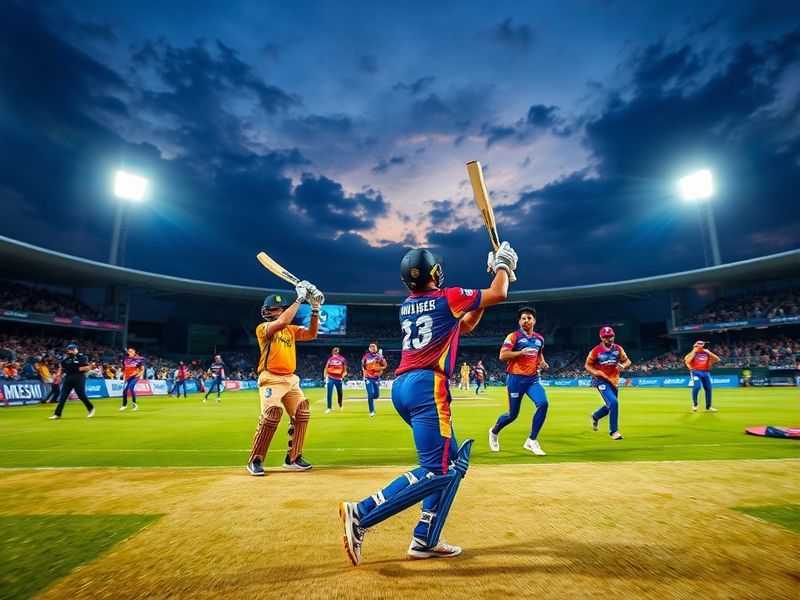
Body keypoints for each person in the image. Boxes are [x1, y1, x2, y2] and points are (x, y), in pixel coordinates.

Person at [339, 242, 517, 566]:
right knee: (437, 470)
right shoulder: (447, 297)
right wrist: (503, 265)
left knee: (452, 465)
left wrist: (489, 282)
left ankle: (425, 538)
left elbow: (466, 324)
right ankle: (362, 513)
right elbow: (500, 292)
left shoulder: (408, 304)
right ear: (435, 272)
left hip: (403, 386)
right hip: (427, 388)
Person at [246, 282, 323, 476]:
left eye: (280, 309)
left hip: (291, 379)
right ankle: (255, 460)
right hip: (270, 377)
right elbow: (280, 323)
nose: (278, 312)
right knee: (271, 415)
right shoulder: (263, 328)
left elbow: (312, 334)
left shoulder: (291, 330)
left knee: (302, 413)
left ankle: (293, 458)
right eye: (275, 309)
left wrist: (314, 310)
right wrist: (299, 299)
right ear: (267, 312)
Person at [489, 306, 550, 456]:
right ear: (519, 321)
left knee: (543, 403)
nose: (526, 321)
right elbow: (503, 356)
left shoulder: (539, 339)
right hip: (515, 379)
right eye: (523, 318)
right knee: (512, 415)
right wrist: (520, 353)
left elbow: (539, 354)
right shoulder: (513, 337)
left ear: (534, 321)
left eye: (529, 318)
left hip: (533, 379)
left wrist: (542, 362)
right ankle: (494, 431)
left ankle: (532, 440)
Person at [585, 326, 631, 440]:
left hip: (613, 381)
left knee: (610, 405)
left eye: (610, 336)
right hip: (601, 380)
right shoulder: (596, 351)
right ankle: (614, 432)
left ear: (613, 336)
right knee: (614, 403)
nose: (608, 339)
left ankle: (595, 416)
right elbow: (587, 365)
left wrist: (623, 366)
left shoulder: (618, 349)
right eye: (605, 337)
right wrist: (596, 372)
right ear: (601, 337)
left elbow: (628, 361)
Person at [49, 343, 95, 419]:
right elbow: (62, 370)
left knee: (81, 396)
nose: (69, 351)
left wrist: (76, 369)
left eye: (71, 349)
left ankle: (91, 409)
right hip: (68, 379)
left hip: (79, 378)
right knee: (63, 397)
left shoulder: (82, 357)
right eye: (68, 349)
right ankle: (57, 414)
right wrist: (58, 376)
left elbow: (87, 368)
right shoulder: (65, 361)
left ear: (75, 350)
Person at [684, 341, 721, 412]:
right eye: (699, 344)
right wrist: (694, 351)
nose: (700, 345)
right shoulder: (693, 353)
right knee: (697, 387)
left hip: (705, 373)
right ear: (695, 345)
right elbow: (687, 361)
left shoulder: (706, 352)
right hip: (696, 372)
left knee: (708, 389)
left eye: (702, 344)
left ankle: (708, 407)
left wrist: (709, 352)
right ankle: (695, 404)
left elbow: (718, 359)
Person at [361, 342, 387, 416]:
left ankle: (372, 399)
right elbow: (363, 366)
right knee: (369, 394)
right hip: (367, 377)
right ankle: (371, 411)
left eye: (374, 346)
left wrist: (379, 369)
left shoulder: (379, 357)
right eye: (371, 346)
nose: (372, 348)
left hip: (375, 378)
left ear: (376, 348)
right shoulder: (365, 356)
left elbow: (385, 366)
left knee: (376, 395)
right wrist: (364, 374)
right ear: (369, 348)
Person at [119, 346, 145, 411]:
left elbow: (142, 369)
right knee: (125, 391)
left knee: (131, 388)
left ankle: (134, 404)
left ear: (134, 352)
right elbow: (123, 368)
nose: (130, 352)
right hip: (128, 377)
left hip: (135, 376)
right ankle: (124, 405)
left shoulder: (138, 359)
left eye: (131, 351)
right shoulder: (125, 359)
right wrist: (124, 376)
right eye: (129, 351)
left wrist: (139, 375)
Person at [324, 347, 348, 413]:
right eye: (334, 351)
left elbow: (345, 370)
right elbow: (326, 368)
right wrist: (325, 377)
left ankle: (340, 405)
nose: (335, 353)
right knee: (329, 393)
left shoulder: (342, 359)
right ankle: (329, 408)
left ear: (338, 352)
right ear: (332, 352)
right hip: (330, 378)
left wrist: (342, 376)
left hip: (338, 379)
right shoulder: (330, 359)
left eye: (337, 351)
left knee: (339, 393)